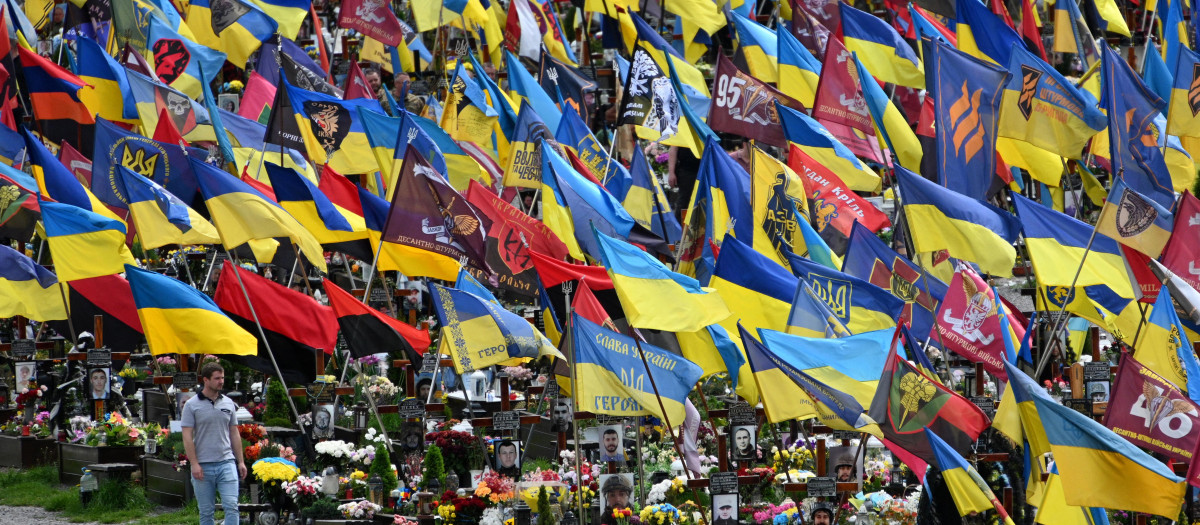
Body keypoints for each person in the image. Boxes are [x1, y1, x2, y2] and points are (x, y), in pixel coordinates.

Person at [182, 363, 246, 525]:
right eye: (217, 378)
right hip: (203, 465)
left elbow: (234, 433)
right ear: (205, 380)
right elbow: (187, 436)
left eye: (222, 378)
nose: (221, 382)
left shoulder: (228, 403)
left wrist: (241, 461)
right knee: (206, 512)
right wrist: (194, 464)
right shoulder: (191, 405)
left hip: (226, 462)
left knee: (232, 506)